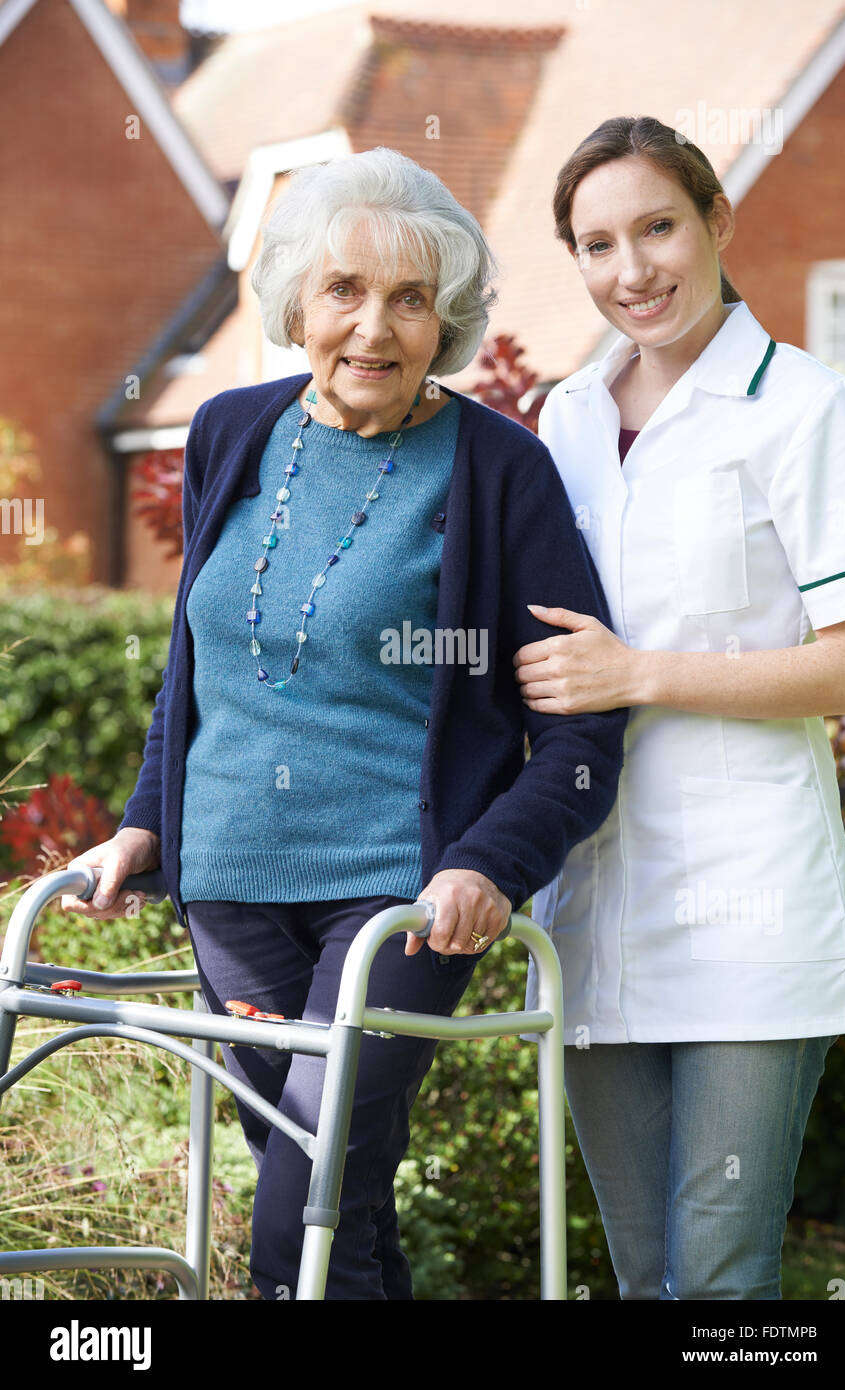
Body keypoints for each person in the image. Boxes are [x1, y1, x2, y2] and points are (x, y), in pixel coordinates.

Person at [60, 147, 628, 1300]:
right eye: (346, 292)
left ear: (449, 316)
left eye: (411, 298)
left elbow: (583, 731)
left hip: (400, 902)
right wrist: (142, 825)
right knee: (331, 1207)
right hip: (229, 884)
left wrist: (489, 865)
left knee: (301, 1227)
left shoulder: (497, 474)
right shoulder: (230, 431)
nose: (375, 327)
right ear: (296, 304)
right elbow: (199, 671)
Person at [514, 115, 845, 1301]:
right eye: (597, 242)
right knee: (646, 1275)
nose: (632, 270)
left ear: (718, 220)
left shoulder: (806, 408)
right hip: (597, 899)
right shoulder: (564, 416)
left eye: (658, 227)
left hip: (750, 906)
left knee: (720, 1280)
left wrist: (640, 674)